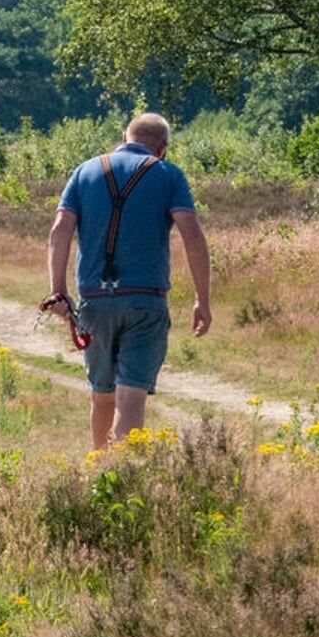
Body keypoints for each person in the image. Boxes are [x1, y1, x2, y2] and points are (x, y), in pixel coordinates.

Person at [45, 112, 212, 450]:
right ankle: (123, 478)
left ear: (125, 137)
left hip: (94, 299)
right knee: (131, 394)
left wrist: (57, 292)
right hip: (145, 301)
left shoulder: (86, 171)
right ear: (162, 148)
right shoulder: (168, 175)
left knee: (101, 394)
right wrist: (202, 299)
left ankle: (100, 471)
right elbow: (192, 235)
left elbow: (59, 230)